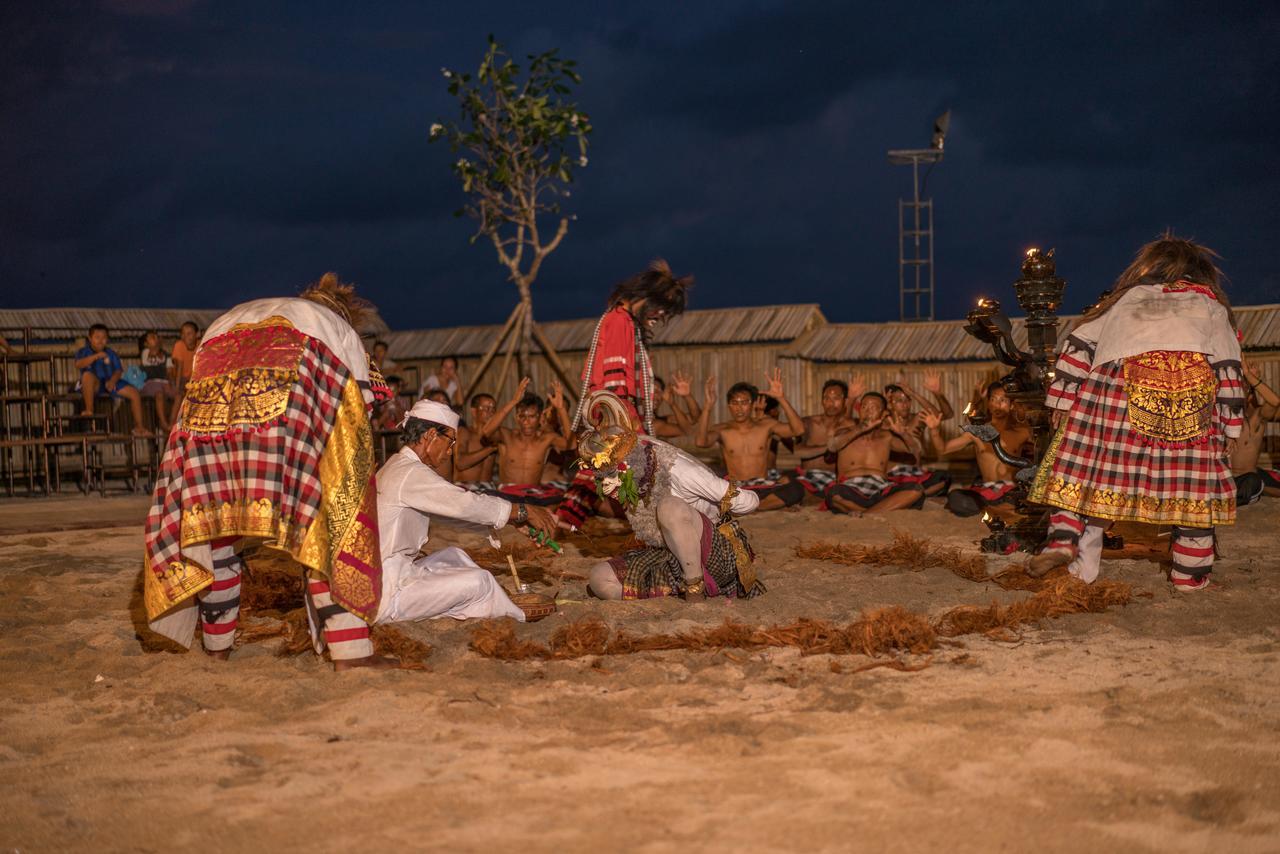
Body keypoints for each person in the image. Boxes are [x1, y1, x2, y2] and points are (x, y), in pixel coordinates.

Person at [143, 273, 396, 670]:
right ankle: (351, 654)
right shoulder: (335, 326)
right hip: (286, 427)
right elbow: (359, 407)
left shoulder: (231, 318)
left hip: (208, 429)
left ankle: (217, 649)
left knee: (214, 531)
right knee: (327, 526)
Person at [1026, 236, 1245, 591]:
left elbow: (1078, 342)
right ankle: (1189, 578)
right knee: (1194, 492)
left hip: (1118, 387)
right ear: (1199, 275)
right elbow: (1227, 366)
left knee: (1084, 473)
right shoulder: (1211, 306)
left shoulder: (1130, 298)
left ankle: (1066, 547)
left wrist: (1063, 400)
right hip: (1189, 397)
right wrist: (1232, 429)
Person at [374, 400, 558, 624]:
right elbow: (463, 503)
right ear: (431, 435)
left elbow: (449, 512)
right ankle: (514, 614)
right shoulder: (410, 473)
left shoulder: (398, 465)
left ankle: (493, 602)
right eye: (450, 442)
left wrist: (511, 521)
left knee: (455, 556)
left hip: (395, 573)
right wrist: (520, 510)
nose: (450, 452)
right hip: (388, 593)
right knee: (480, 581)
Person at [579, 392, 764, 602]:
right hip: (667, 554)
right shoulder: (633, 472)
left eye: (609, 475)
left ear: (627, 464)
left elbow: (750, 502)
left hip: (716, 555)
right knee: (598, 578)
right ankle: (661, 598)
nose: (604, 486)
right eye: (600, 478)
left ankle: (695, 595)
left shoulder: (679, 469)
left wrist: (725, 504)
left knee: (669, 508)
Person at [559, 260, 692, 529]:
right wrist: (624, 420)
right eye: (661, 309)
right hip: (616, 406)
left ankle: (563, 519)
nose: (660, 317)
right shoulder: (620, 322)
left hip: (613, 405)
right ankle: (659, 527)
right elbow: (614, 380)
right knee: (644, 469)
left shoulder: (618, 319)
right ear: (644, 298)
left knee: (606, 465)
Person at [695, 370, 807, 511]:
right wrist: (707, 407)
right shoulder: (722, 430)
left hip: (762, 486)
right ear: (728, 405)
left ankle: (754, 508)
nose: (739, 408)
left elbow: (799, 430)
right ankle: (760, 506)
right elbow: (701, 442)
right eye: (734, 403)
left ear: (753, 404)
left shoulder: (766, 426)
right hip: (737, 489)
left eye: (744, 402)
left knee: (795, 488)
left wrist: (781, 398)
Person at [926, 382, 1031, 517]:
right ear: (988, 404)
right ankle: (995, 509)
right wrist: (934, 430)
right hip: (985, 491)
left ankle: (995, 510)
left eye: (1003, 400)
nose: (997, 404)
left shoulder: (1022, 433)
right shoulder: (976, 432)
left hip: (1011, 491)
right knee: (956, 497)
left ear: (1011, 405)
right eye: (993, 399)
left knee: (1026, 497)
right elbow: (943, 449)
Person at [823, 391, 925, 514]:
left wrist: (903, 433)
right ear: (859, 410)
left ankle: (866, 513)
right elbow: (832, 446)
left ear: (882, 414)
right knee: (834, 494)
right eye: (864, 406)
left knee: (916, 489)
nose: (868, 411)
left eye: (874, 408)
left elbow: (916, 449)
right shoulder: (844, 432)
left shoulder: (886, 437)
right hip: (851, 489)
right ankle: (878, 511)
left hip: (880, 489)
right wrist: (861, 428)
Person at [479, 377, 575, 505]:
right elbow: (486, 432)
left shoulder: (546, 439)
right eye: (522, 416)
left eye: (532, 417)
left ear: (540, 417)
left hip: (532, 496)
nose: (526, 422)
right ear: (516, 417)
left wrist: (561, 409)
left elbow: (571, 445)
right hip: (507, 496)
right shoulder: (507, 436)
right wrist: (513, 402)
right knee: (487, 497)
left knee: (563, 501)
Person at [883, 371, 953, 499]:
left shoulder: (917, 420)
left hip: (915, 474)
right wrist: (884, 406)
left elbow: (944, 415)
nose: (905, 405)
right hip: (892, 475)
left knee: (945, 477)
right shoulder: (883, 422)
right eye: (899, 401)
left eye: (907, 400)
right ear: (890, 403)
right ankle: (913, 495)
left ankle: (915, 495)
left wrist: (917, 394)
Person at [74, 323, 151, 436]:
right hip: (94, 384)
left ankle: (139, 427)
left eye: (104, 338)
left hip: (109, 382)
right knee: (87, 376)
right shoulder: (83, 352)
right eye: (97, 337)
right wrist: (96, 356)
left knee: (134, 393)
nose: (101, 341)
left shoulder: (111, 353)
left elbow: (118, 371)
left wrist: (112, 381)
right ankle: (89, 409)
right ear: (90, 338)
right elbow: (78, 364)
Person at [789, 379, 856, 496]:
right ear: (822, 401)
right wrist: (829, 447)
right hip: (806, 476)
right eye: (827, 398)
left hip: (833, 480)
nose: (831, 403)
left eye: (836, 399)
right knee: (785, 481)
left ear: (845, 401)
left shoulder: (852, 426)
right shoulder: (809, 423)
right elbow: (797, 451)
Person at [1230, 359, 1280, 504]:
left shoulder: (1256, 418)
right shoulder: (1224, 415)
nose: (1237, 391)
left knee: (1253, 480)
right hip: (1226, 479)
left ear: (1250, 393)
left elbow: (1274, 402)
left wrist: (1251, 377)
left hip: (1248, 479)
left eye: (1243, 387)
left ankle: (1254, 492)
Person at [455, 393, 500, 488]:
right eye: (486, 409)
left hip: (488, 487)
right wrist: (491, 449)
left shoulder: (497, 435)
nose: (491, 413)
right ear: (474, 411)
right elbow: (460, 463)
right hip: (466, 486)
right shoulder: (464, 432)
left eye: (493, 409)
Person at [137, 330, 174, 432]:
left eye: (156, 337)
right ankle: (163, 422)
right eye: (152, 337)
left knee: (178, 395)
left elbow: (169, 372)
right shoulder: (145, 353)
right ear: (146, 343)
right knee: (159, 394)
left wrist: (172, 384)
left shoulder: (166, 355)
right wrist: (158, 346)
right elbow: (152, 356)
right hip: (150, 382)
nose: (156, 338)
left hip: (164, 382)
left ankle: (172, 422)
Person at [168, 320, 200, 423]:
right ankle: (171, 426)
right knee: (179, 397)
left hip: (195, 379)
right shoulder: (179, 345)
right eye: (183, 334)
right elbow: (179, 368)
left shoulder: (201, 345)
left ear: (197, 334)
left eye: (189, 333)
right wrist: (177, 387)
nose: (185, 337)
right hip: (180, 378)